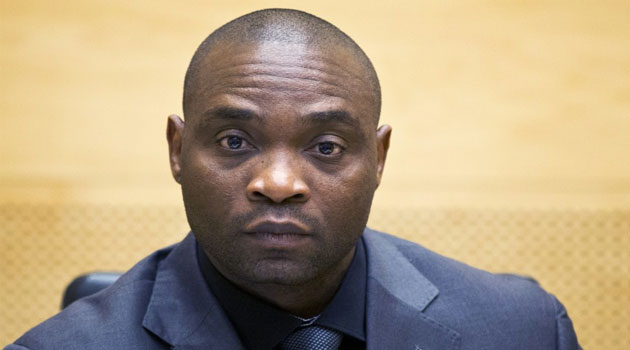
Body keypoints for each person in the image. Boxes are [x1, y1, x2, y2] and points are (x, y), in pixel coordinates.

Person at [6, 8, 580, 350]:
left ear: (378, 159)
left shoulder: (524, 331)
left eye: (326, 147)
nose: (278, 182)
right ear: (178, 150)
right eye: (235, 142)